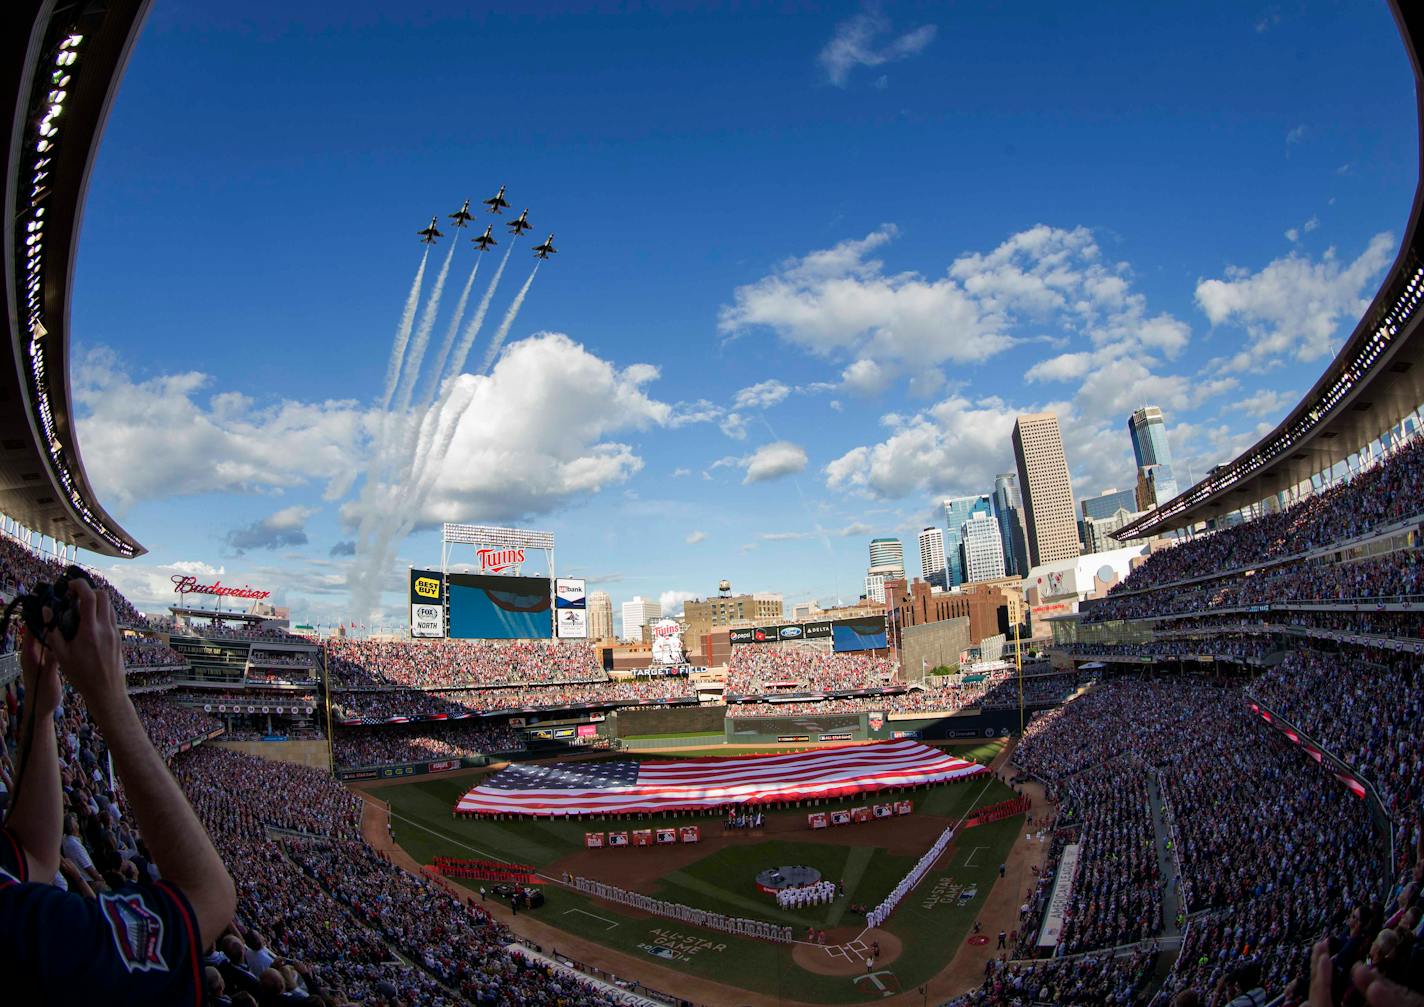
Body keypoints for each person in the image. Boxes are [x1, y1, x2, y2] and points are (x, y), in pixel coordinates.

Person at [0, 580, 236, 1003]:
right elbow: (209, 897)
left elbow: (32, 854)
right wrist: (112, 700)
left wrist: (40, 711)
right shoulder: (19, 931)